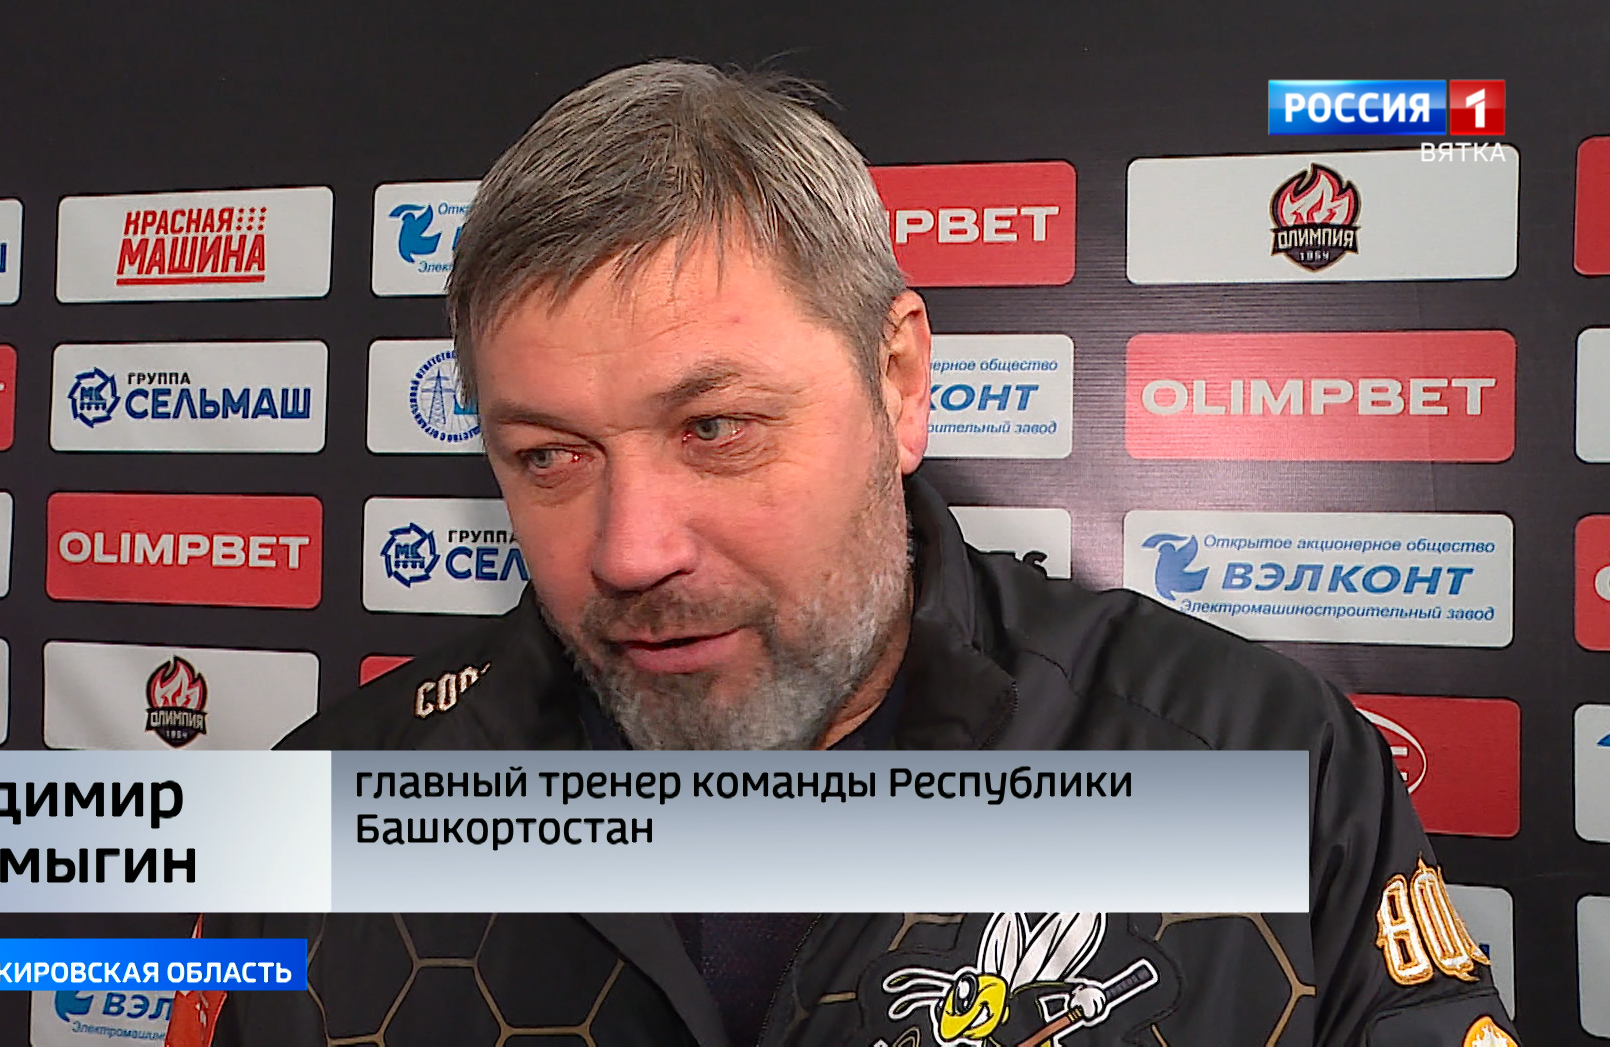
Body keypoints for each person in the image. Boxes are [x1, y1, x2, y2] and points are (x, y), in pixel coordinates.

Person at [177, 61, 1519, 1047]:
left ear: (899, 380)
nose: (631, 552)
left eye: (715, 429)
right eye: (551, 456)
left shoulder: (1265, 765)